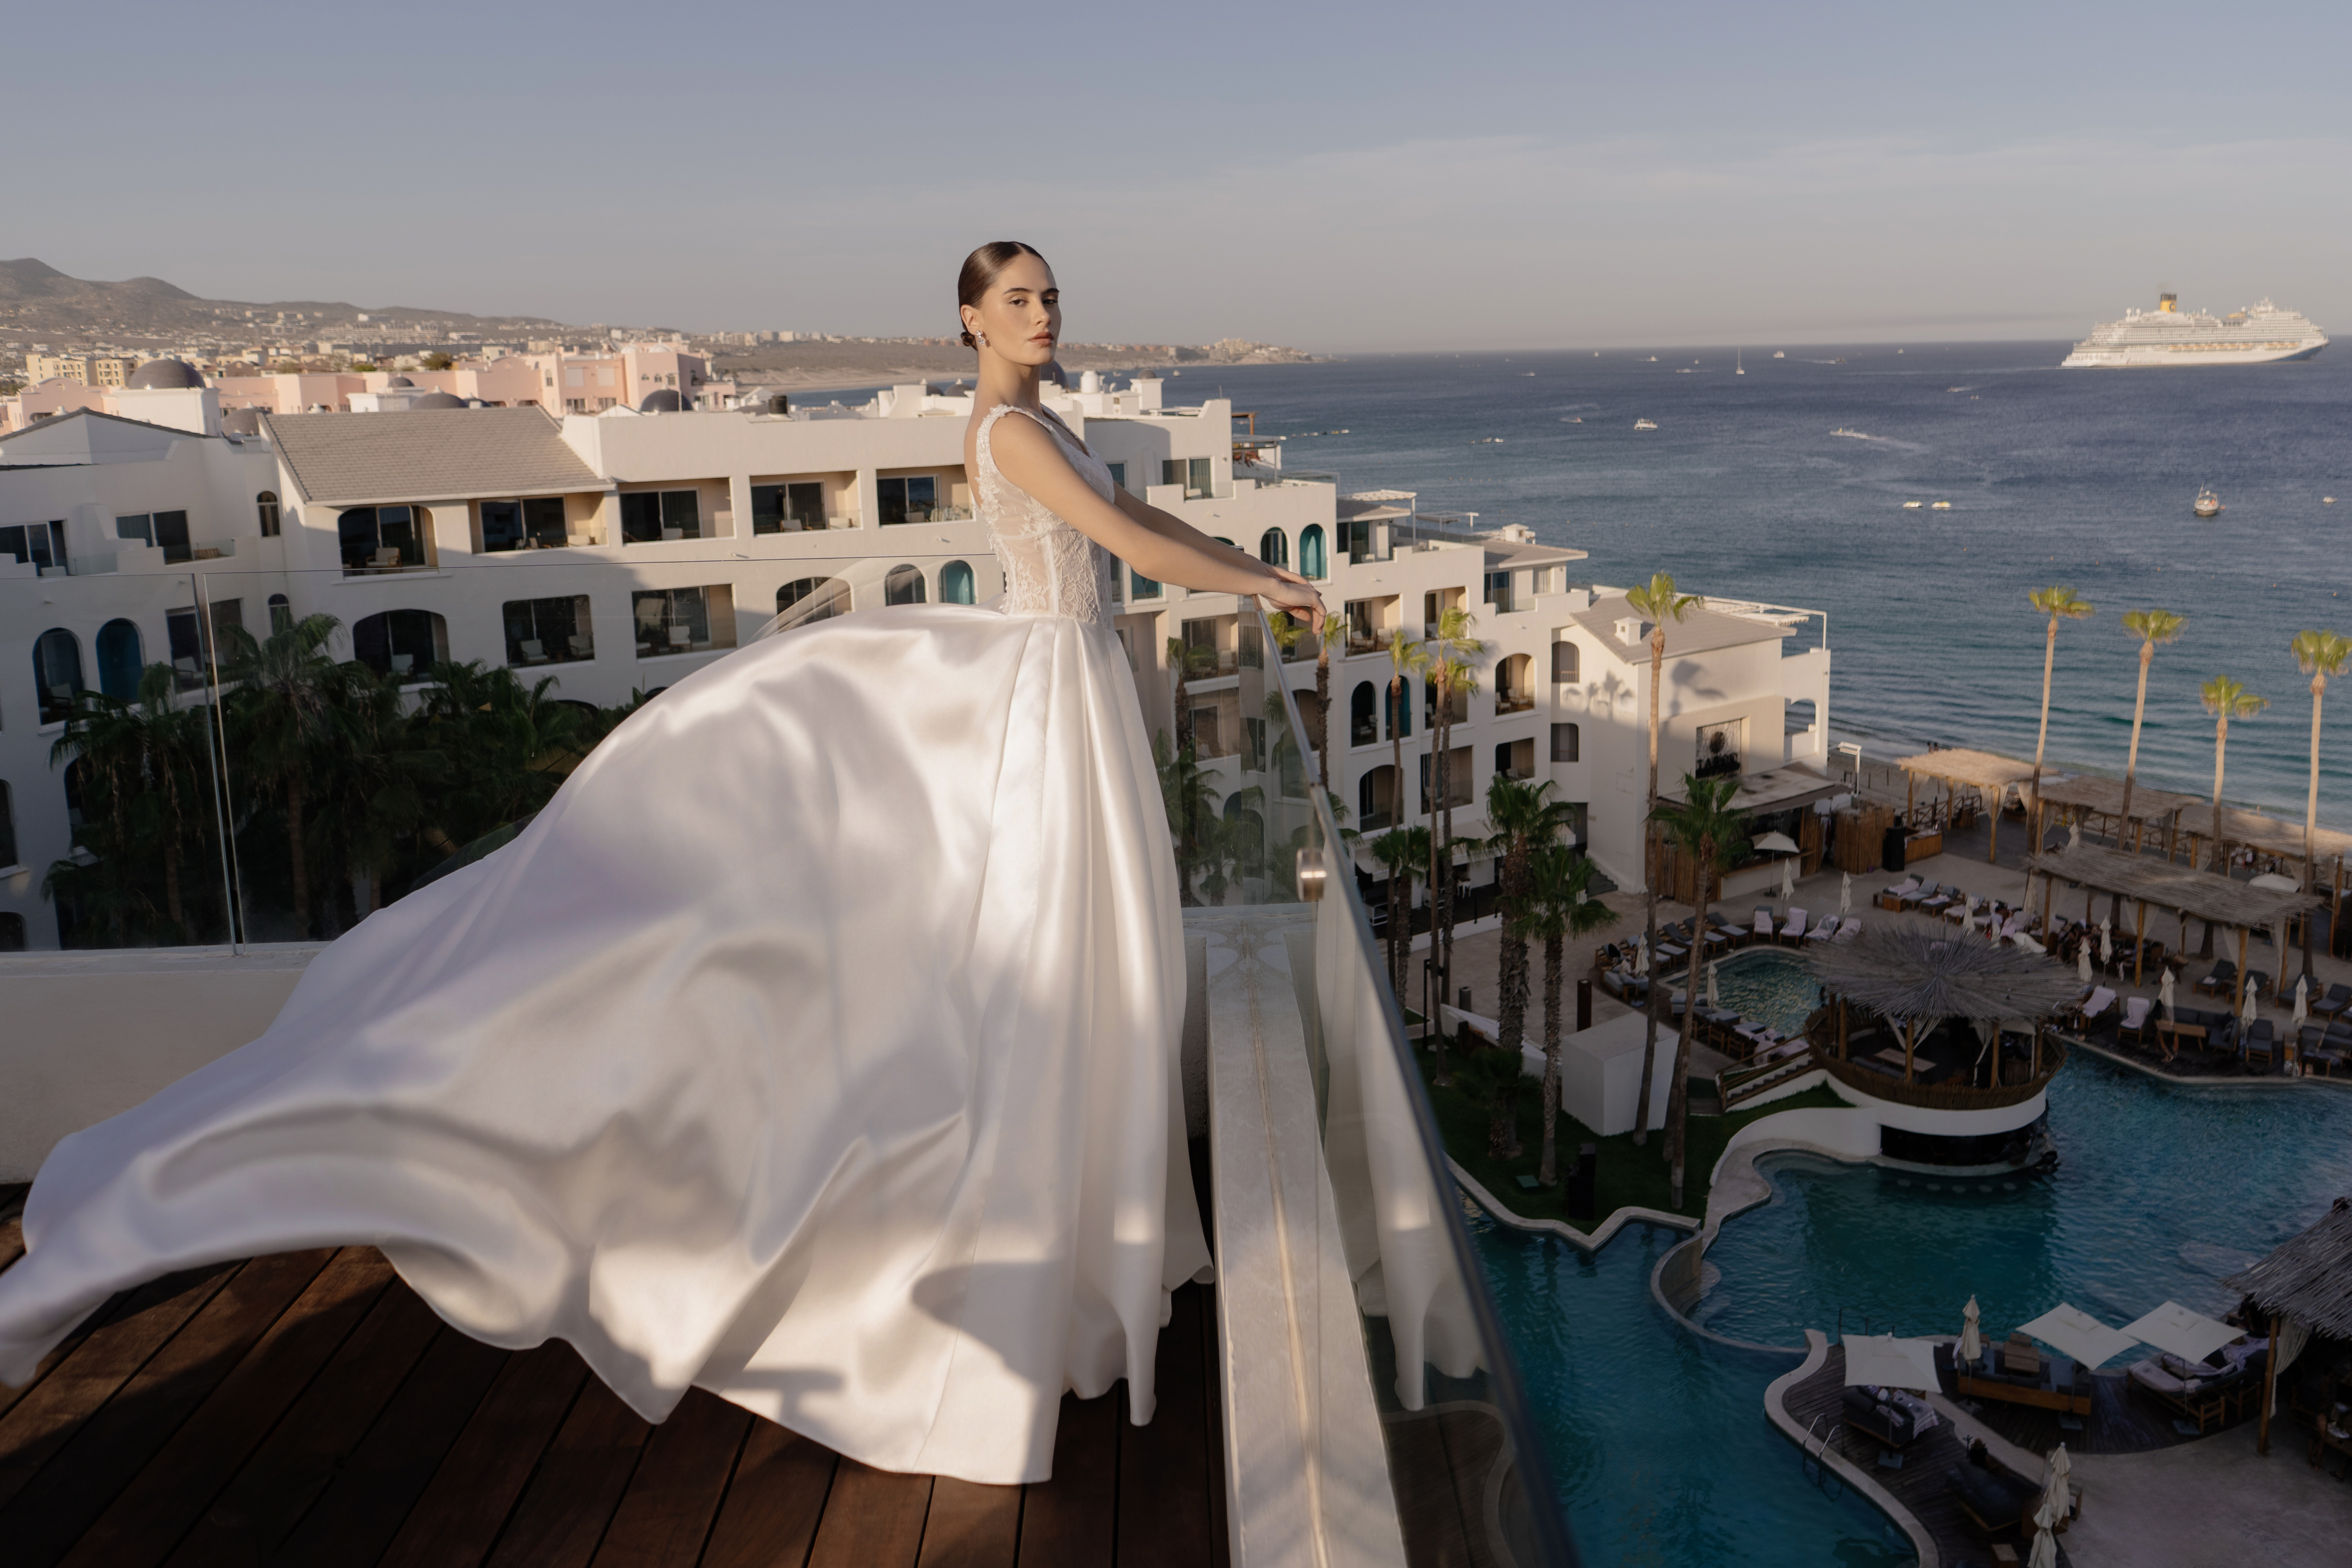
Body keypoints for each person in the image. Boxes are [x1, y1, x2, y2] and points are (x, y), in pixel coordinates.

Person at [0, 240, 1324, 1488]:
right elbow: (1130, 549)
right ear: (969, 320)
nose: (1044, 313)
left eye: (1049, 294)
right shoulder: (1013, 432)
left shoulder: (1068, 427)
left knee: (1082, 962)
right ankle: (1022, 1267)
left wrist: (1251, 564)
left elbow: (1148, 515)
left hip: (1074, 694)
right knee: (1042, 961)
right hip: (1045, 705)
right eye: (1019, 298)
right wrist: (1260, 591)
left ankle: (1077, 1248)